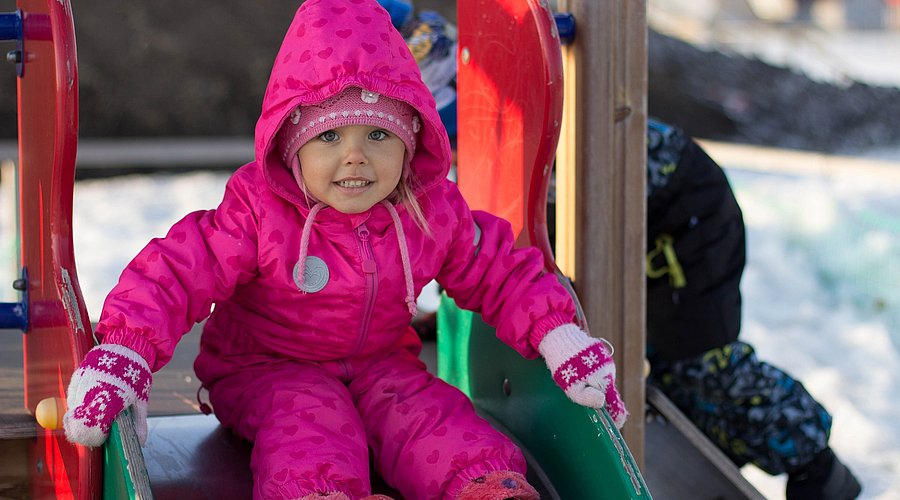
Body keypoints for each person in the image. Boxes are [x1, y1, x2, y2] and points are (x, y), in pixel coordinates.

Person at [60, 1, 626, 499]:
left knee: (432, 417)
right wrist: (126, 353)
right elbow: (178, 271)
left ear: (412, 141)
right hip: (265, 369)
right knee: (310, 422)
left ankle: (487, 489)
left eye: (378, 136)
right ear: (291, 145)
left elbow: (500, 271)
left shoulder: (430, 210)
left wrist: (558, 334)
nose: (354, 158)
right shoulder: (258, 212)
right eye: (329, 137)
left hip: (381, 363)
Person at [644, 118, 861, 500]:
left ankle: (816, 467)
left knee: (702, 360)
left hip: (685, 205)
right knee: (660, 369)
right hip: (635, 216)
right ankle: (708, 460)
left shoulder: (542, 98)